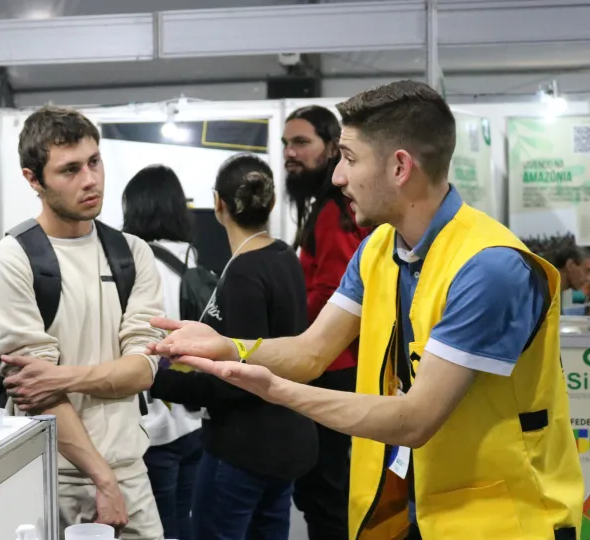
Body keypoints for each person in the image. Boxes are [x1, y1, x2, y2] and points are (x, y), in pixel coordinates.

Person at [148, 80, 582, 539]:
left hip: (505, 521)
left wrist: (276, 391)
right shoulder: (379, 248)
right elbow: (311, 352)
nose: (337, 176)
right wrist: (229, 348)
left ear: (400, 167)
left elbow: (415, 419)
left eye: (350, 159)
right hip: (414, 514)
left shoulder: (490, 267)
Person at [0, 105, 166, 539]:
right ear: (33, 179)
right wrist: (102, 479)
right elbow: (36, 393)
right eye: (70, 170)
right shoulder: (12, 261)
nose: (90, 180)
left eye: (94, 162)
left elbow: (142, 370)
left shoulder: (132, 253)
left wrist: (64, 375)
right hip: (49, 477)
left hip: (131, 473)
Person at [150, 154, 317, 540]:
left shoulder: (243, 271)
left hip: (245, 446)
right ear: (271, 203)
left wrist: (156, 379)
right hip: (285, 438)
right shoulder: (285, 258)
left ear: (218, 204)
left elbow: (232, 376)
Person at [283, 105, 371, 540]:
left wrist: (291, 334)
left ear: (333, 148)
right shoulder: (326, 208)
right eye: (286, 143)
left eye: (301, 142)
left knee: (324, 493)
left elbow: (332, 295)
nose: (289, 153)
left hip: (334, 368)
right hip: (337, 365)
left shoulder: (334, 213)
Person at [121, 165, 202, 540]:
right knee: (185, 521)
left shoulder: (136, 261)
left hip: (153, 418)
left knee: (158, 526)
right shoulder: (191, 256)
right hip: (194, 412)